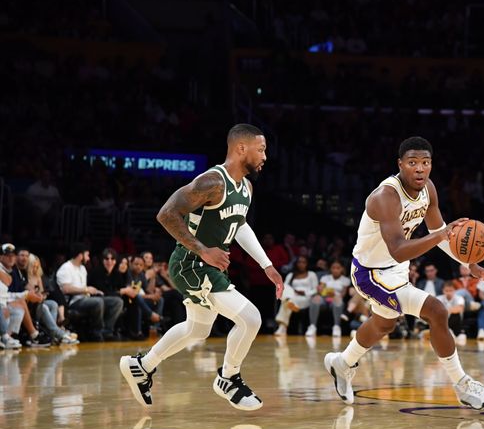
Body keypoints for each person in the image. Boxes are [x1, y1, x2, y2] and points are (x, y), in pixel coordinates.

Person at [323, 137, 484, 410]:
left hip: (395, 269)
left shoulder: (428, 189)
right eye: (413, 163)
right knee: (437, 311)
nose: (420, 169)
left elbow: (441, 236)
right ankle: (463, 386)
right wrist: (441, 234)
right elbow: (398, 249)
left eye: (425, 163)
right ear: (400, 164)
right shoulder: (385, 197)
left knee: (384, 324)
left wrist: (470, 264)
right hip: (370, 272)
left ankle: (342, 362)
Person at [119, 123, 284, 411]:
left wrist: (267, 264)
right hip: (190, 263)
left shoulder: (246, 187)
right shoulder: (212, 182)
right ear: (241, 148)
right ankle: (228, 377)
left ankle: (142, 366)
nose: (265, 156)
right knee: (251, 318)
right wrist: (203, 250)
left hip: (207, 267)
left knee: (197, 330)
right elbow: (166, 214)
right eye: (261, 149)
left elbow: (239, 224)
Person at [56, 244, 123, 342]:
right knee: (98, 302)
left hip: (86, 298)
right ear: (80, 255)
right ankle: (96, 332)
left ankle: (107, 331)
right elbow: (65, 289)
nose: (88, 258)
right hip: (73, 301)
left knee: (117, 301)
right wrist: (86, 290)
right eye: (87, 255)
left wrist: (92, 290)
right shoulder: (66, 268)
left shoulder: (82, 268)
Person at [274, 256, 318, 336]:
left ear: (307, 264)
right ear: (296, 264)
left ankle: (282, 327)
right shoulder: (291, 275)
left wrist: (304, 293)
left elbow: (316, 289)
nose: (301, 264)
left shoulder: (311, 274)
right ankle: (289, 301)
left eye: (303, 262)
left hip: (306, 298)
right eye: (299, 262)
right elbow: (285, 288)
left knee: (286, 302)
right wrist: (293, 292)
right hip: (293, 296)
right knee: (284, 287)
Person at [307, 260, 351, 337]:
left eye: (338, 268)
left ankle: (336, 326)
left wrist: (334, 295)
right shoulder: (325, 278)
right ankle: (312, 326)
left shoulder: (345, 280)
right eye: (333, 268)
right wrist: (320, 290)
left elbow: (343, 294)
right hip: (324, 298)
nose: (335, 270)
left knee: (338, 299)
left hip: (336, 299)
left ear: (342, 269)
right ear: (330, 269)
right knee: (316, 298)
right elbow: (321, 290)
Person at [438, 281, 467, 346]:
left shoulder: (459, 298)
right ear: (443, 290)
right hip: (443, 323)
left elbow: (460, 308)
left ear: (454, 290)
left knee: (461, 339)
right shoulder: (438, 299)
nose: (448, 293)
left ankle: (453, 333)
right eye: (446, 290)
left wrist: (445, 311)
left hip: (456, 324)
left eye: (451, 290)